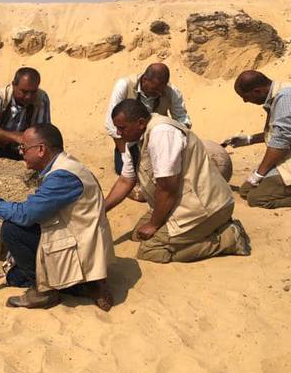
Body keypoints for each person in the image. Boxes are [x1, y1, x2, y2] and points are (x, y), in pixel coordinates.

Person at [0, 123, 115, 311]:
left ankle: (45, 292)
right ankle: (86, 286)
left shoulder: (62, 176)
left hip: (81, 247)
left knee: (12, 230)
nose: (20, 152)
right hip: (84, 241)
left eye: (23, 148)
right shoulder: (68, 165)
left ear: (41, 149)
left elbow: (26, 215)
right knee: (15, 276)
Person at [104, 99, 250, 263]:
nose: (118, 133)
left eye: (122, 128)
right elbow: (125, 181)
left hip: (204, 205)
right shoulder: (135, 140)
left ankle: (229, 238)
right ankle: (209, 229)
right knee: (138, 236)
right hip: (178, 202)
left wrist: (154, 224)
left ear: (140, 123)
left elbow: (167, 188)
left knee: (151, 250)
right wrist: (101, 209)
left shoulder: (162, 134)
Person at [105, 63, 191, 174]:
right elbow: (111, 125)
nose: (159, 93)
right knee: (125, 173)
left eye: (162, 89)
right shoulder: (124, 85)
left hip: (159, 141)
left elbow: (182, 120)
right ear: (144, 79)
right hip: (128, 142)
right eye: (155, 89)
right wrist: (125, 155)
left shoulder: (171, 91)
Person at [223, 71, 291, 208]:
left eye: (245, 97)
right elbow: (277, 133)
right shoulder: (277, 96)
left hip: (286, 155)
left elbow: (280, 143)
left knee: (256, 199)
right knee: (245, 191)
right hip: (286, 154)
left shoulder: (285, 98)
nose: (245, 101)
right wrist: (249, 139)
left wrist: (259, 174)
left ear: (257, 91)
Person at [0, 67, 51, 160]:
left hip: (22, 149)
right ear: (14, 85)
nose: (28, 97)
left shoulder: (42, 98)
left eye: (33, 92)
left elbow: (43, 131)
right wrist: (16, 137)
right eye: (24, 92)